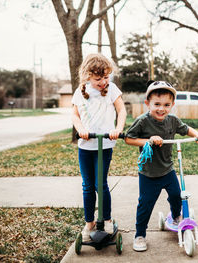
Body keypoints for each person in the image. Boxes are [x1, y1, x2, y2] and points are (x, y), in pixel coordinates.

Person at [125, 80, 198, 252]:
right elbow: (129, 139)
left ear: (172, 105)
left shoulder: (172, 120)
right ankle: (140, 234)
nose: (161, 109)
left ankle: (177, 216)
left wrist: (197, 134)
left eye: (166, 105)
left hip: (167, 169)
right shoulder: (142, 121)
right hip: (148, 173)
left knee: (177, 195)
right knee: (145, 204)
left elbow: (185, 129)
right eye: (157, 104)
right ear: (147, 103)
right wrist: (149, 140)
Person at [71, 53, 127, 242]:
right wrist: (81, 129)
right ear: (87, 76)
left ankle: (107, 219)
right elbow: (75, 115)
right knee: (87, 186)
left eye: (106, 77)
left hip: (105, 145)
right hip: (85, 146)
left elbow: (121, 110)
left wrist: (118, 129)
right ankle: (89, 223)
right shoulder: (80, 92)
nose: (103, 81)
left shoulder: (111, 89)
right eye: (98, 79)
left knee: (100, 185)